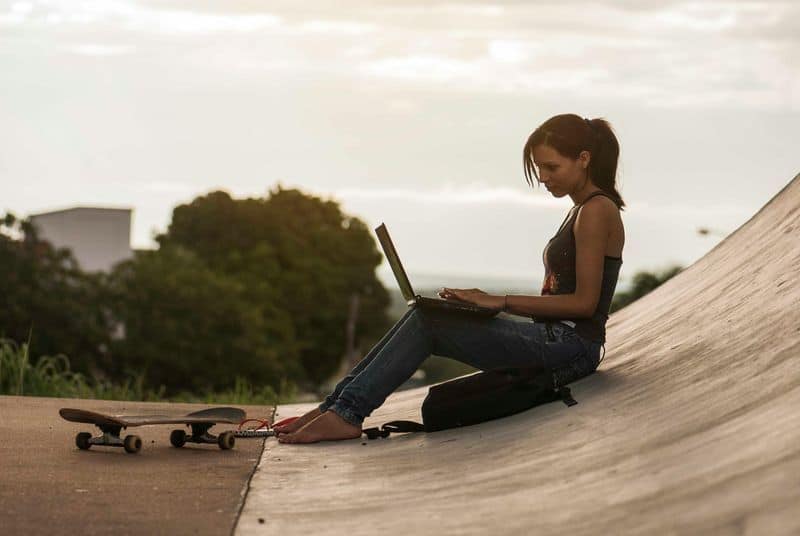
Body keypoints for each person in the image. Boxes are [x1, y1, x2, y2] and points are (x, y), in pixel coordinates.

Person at [277, 113, 625, 444]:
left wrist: (499, 301)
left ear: (583, 159)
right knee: (424, 314)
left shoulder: (597, 210)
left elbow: (585, 304)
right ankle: (335, 407)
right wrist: (483, 306)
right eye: (539, 168)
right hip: (555, 340)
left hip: (571, 347)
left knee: (428, 323)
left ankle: (346, 413)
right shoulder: (581, 210)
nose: (544, 177)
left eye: (552, 167)